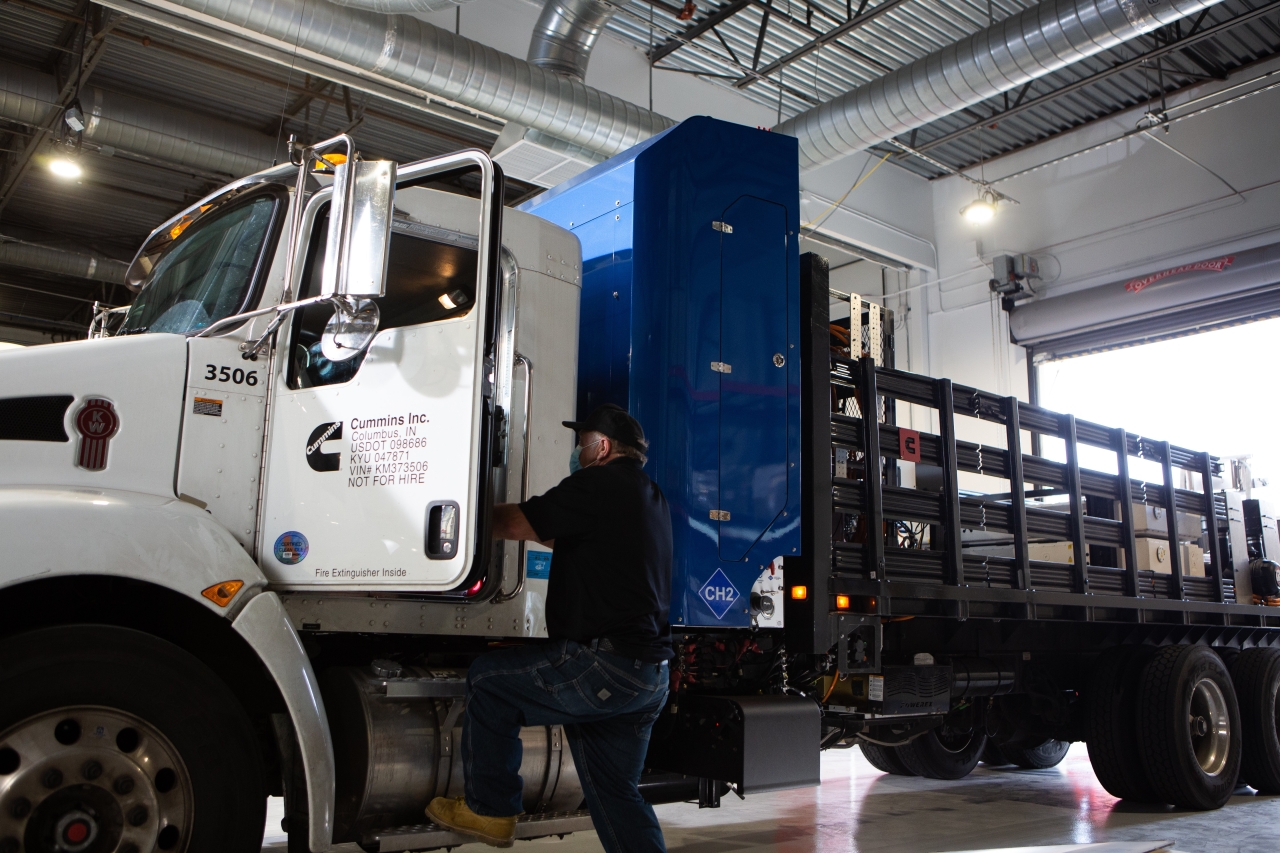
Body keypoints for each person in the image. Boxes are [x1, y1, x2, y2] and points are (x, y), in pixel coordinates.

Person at [426, 404, 674, 852]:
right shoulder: (648, 495)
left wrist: (446, 511)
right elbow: (574, 539)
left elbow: (515, 523)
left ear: (601, 448)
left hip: (604, 664)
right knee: (616, 793)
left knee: (489, 681)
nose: (576, 452)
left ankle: (492, 811)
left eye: (581, 443)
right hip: (648, 675)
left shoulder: (595, 483)